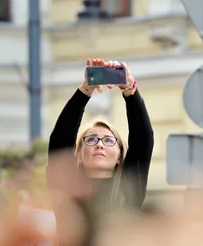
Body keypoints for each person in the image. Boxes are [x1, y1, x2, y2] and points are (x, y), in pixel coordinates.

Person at [48, 58, 154, 211]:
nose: (99, 144)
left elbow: (142, 138)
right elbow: (60, 141)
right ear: (78, 154)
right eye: (91, 140)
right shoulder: (67, 192)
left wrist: (129, 89)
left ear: (119, 155)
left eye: (109, 140)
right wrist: (85, 89)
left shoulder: (129, 189)